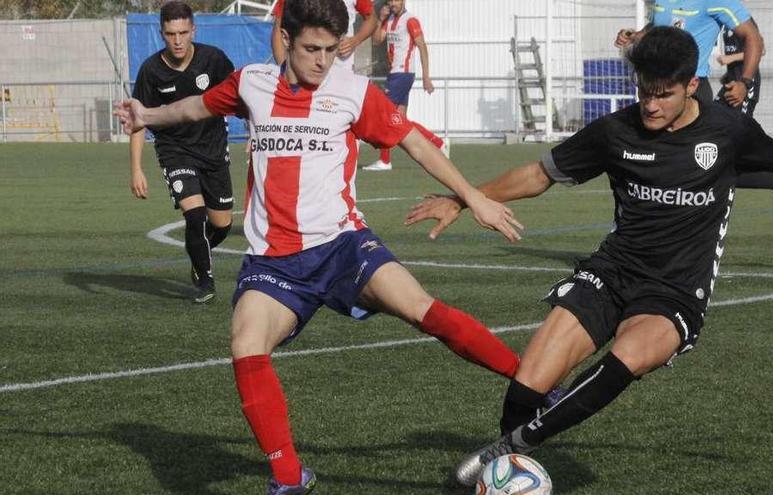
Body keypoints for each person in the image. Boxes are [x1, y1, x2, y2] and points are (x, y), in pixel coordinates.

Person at [405, 26, 773, 488]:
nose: (650, 105)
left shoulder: (729, 131)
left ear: (692, 85)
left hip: (676, 290)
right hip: (612, 273)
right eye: (644, 92)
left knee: (627, 356)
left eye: (664, 95)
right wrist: (464, 198)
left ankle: (508, 451)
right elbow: (539, 174)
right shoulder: (615, 131)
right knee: (527, 383)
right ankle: (511, 454)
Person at [115, 1, 534, 493]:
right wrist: (148, 114)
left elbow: (415, 143)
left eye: (332, 50)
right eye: (312, 49)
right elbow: (193, 107)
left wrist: (474, 198)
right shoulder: (252, 82)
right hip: (276, 262)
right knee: (245, 343)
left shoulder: (353, 92)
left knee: (423, 309)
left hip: (342, 246)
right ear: (287, 42)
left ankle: (537, 386)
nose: (322, 61)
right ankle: (290, 480)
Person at [615, 0, 773, 230]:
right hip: (658, 89)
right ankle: (640, 227)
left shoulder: (717, 2)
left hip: (690, 92)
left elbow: (754, 38)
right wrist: (634, 36)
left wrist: (744, 82)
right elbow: (657, 29)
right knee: (662, 161)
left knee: (707, 167)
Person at [129, 1, 236, 304]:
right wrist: (136, 169)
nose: (177, 40)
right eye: (170, 33)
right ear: (161, 33)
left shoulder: (214, 60)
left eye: (182, 32)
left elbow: (239, 96)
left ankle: (198, 254)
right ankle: (206, 282)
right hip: (175, 151)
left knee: (222, 225)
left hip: (213, 151)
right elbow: (138, 121)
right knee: (196, 216)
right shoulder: (151, 71)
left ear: (193, 30)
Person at [363, 0, 448, 171]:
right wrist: (380, 19)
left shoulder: (411, 20)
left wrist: (426, 76)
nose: (392, 4)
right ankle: (438, 143)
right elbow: (377, 40)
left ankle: (385, 161)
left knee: (385, 115)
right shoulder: (390, 20)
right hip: (395, 74)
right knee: (400, 119)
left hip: (403, 74)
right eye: (390, 1)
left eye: (396, 0)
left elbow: (422, 46)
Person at [271, 0, 377, 70]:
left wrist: (355, 41)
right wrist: (283, 68)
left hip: (341, 70)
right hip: (303, 71)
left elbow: (372, 19)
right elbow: (278, 29)